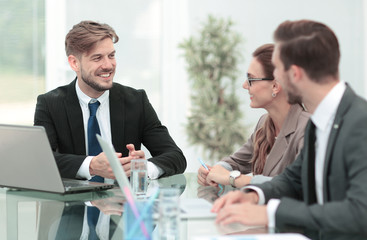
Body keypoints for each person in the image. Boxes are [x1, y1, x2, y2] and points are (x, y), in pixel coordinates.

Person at [212, 19, 367, 234]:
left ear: (294, 74)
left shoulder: (360, 122)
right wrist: (252, 194)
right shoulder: (320, 120)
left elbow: (360, 213)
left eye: (278, 70)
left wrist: (271, 213)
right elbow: (293, 179)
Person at [34, 20, 186, 182]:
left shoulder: (136, 101)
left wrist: (142, 167)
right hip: (73, 205)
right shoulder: (50, 104)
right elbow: (41, 161)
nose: (108, 65)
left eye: (111, 55)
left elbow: (176, 157)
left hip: (122, 203)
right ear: (74, 63)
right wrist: (91, 165)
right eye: (97, 58)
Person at [197, 44, 309, 188]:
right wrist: (213, 171)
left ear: (275, 86)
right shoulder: (264, 123)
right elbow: (236, 162)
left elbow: (297, 185)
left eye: (251, 79)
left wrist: (233, 179)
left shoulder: (307, 128)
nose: (245, 85)